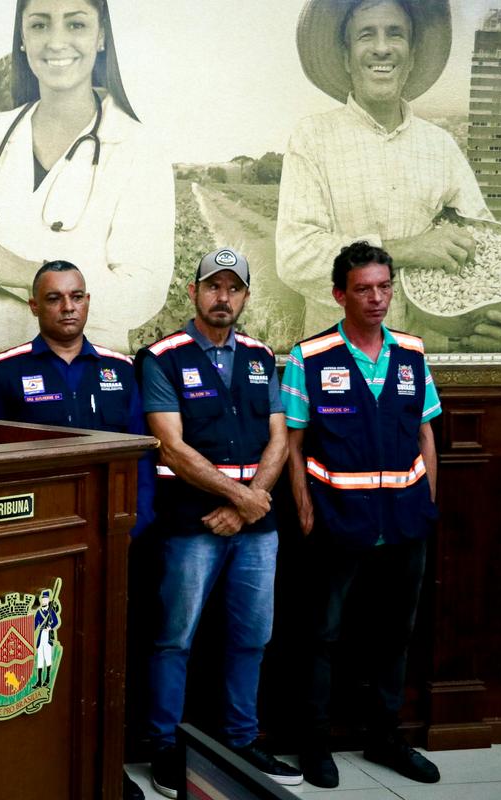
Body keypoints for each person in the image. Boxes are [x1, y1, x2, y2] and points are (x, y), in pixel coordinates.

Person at [0, 260, 148, 800]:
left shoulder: (120, 370)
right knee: (39, 660)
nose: (67, 307)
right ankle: (41, 763)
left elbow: (142, 457)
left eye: (76, 296)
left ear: (88, 301)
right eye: (54, 298)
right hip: (38, 551)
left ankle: (108, 766)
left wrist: (134, 525)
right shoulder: (6, 371)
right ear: (34, 306)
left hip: (112, 543)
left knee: (108, 658)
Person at [0, 0, 174, 355]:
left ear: (101, 35)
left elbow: (141, 293)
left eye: (75, 24)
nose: (56, 42)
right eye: (39, 25)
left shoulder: (139, 147)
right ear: (22, 38)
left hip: (87, 374)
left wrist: (30, 274)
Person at [140, 249, 300, 797]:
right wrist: (242, 499)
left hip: (254, 528)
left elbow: (279, 438)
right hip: (191, 525)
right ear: (194, 293)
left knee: (252, 637)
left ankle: (241, 740)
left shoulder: (261, 357)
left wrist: (247, 505)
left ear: (246, 296)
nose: (223, 297)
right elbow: (171, 446)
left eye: (233, 288)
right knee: (174, 640)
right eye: (213, 286)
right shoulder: (162, 358)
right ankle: (165, 747)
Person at [282, 241, 442, 788]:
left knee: (394, 634)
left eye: (384, 287)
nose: (376, 298)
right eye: (363, 289)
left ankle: (385, 738)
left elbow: (425, 434)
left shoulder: (412, 353)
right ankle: (315, 744)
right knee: (322, 635)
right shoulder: (310, 356)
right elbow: (294, 443)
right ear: (339, 295)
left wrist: (426, 504)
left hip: (404, 521)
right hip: (337, 519)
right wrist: (304, 507)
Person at [276, 0, 494, 351]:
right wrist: (406, 250)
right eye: (366, 35)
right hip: (337, 357)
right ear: (346, 57)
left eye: (395, 34)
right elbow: (296, 257)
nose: (382, 48)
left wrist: (491, 320)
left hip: (423, 357)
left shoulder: (441, 146)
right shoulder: (313, 138)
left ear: (411, 55)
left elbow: (484, 249)